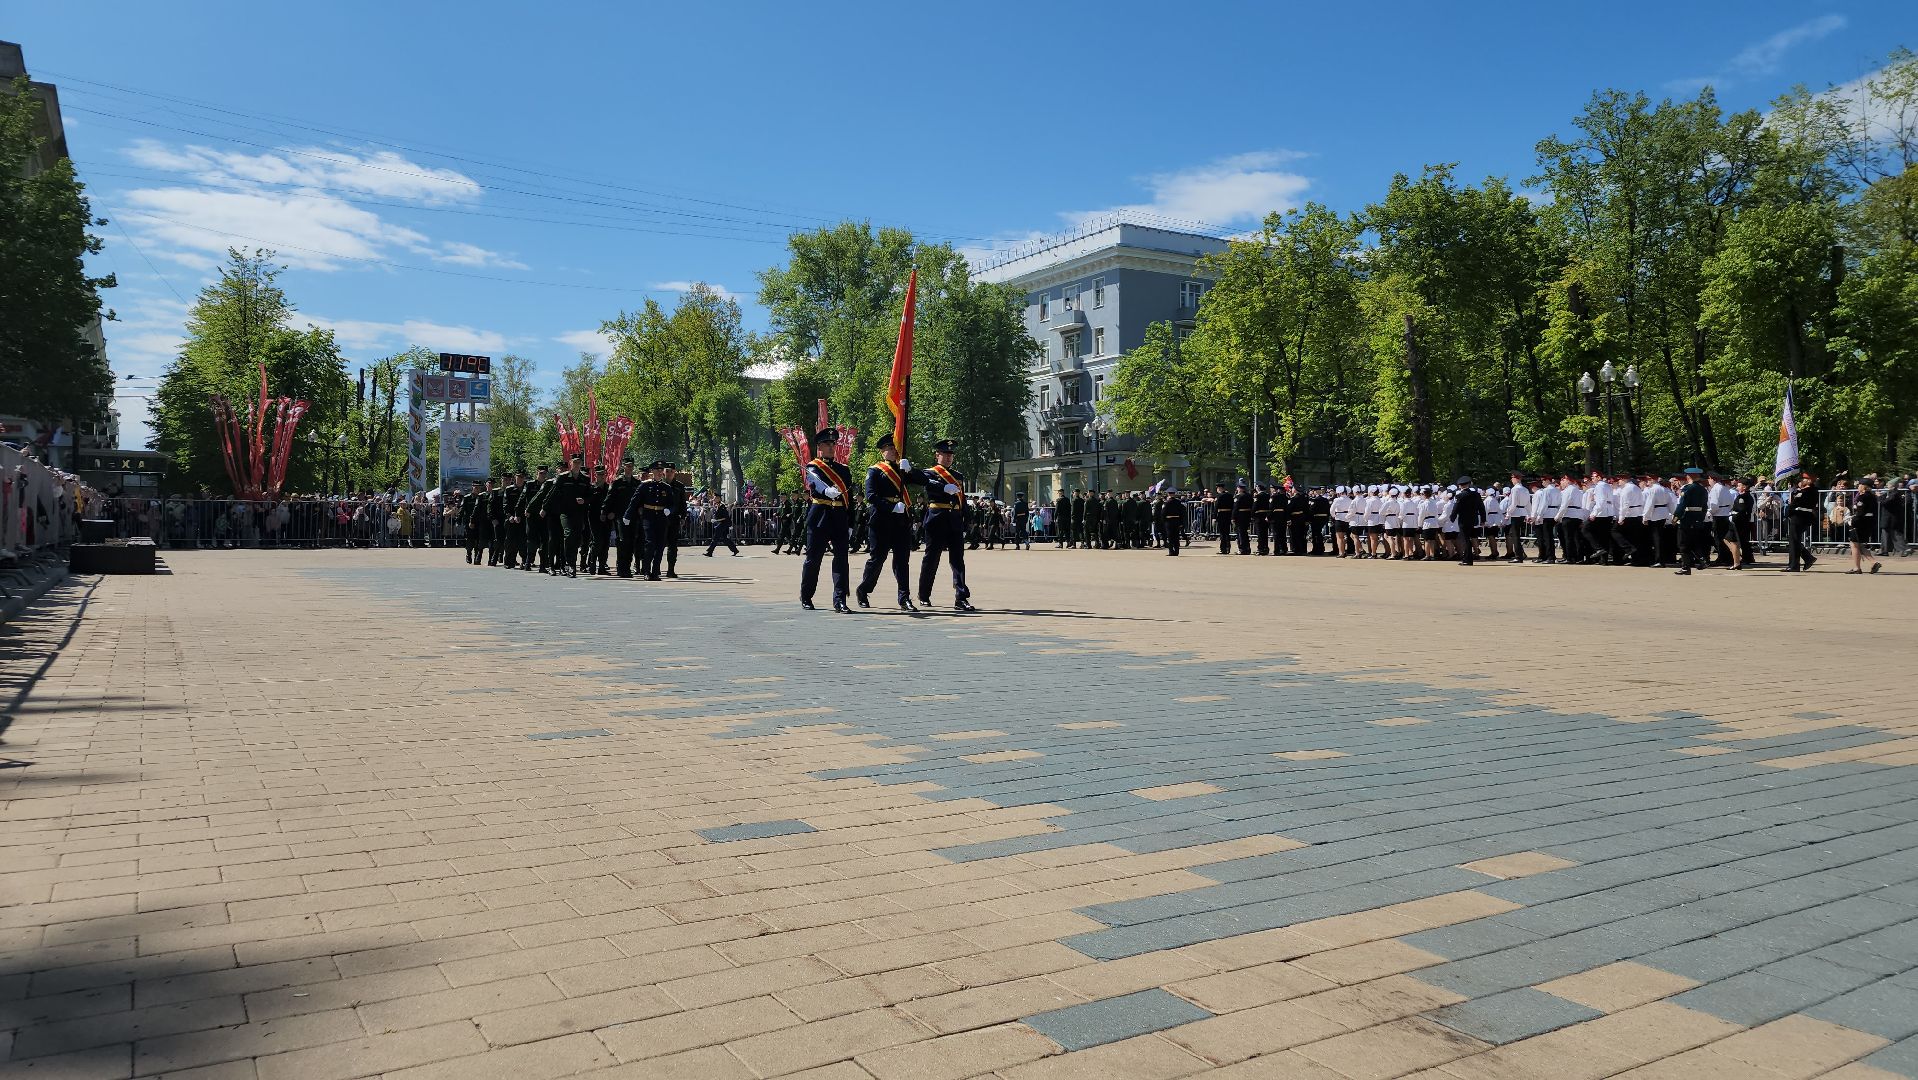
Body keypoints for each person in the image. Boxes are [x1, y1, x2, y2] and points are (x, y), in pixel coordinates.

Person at [856, 433, 924, 610]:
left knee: (902, 560)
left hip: (900, 520)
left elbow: (923, 480)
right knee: (878, 558)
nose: (894, 451)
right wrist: (891, 507)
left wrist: (910, 470)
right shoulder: (875, 471)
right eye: (890, 448)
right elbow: (871, 496)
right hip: (881, 519)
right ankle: (863, 590)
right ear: (882, 451)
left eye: (895, 448)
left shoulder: (902, 469)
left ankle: (904, 598)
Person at [800, 431, 855, 611]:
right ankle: (806, 596)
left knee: (841, 559)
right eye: (827, 444)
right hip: (820, 516)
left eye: (833, 444)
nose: (831, 447)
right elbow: (815, 483)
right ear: (820, 447)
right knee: (813, 559)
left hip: (839, 516)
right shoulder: (813, 467)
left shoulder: (844, 470)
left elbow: (849, 499)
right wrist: (826, 491)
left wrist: (851, 523)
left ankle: (840, 600)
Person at [1674, 467, 1710, 575]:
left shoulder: (1687, 489)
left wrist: (1676, 517)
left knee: (1683, 543)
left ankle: (1686, 567)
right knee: (1694, 542)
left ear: (1689, 476)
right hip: (1698, 518)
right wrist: (1701, 518)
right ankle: (1703, 560)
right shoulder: (1703, 489)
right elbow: (1705, 506)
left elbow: (1682, 505)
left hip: (1687, 518)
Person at [607, 459, 639, 577]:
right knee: (623, 541)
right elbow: (610, 498)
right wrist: (607, 511)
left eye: (631, 466)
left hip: (633, 516)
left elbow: (640, 499)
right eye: (627, 466)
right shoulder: (617, 482)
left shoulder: (636, 483)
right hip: (620, 516)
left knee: (631, 542)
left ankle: (627, 567)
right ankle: (621, 567)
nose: (629, 468)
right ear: (623, 467)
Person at [1848, 478, 1883, 575]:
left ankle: (1860, 567)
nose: (1858, 486)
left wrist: (1853, 521)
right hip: (1869, 521)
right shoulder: (1872, 496)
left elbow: (1860, 512)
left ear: (1864, 486)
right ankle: (1870, 563)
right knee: (1860, 544)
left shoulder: (1862, 497)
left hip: (1861, 522)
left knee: (1854, 544)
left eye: (1859, 485)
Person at [1162, 489, 1188, 555]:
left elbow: (1163, 513)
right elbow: (1182, 512)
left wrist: (1163, 521)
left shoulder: (1167, 503)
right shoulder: (1178, 502)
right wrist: (1181, 522)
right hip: (1177, 520)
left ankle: (1171, 551)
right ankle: (1176, 551)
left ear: (1168, 494)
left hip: (1169, 521)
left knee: (1170, 537)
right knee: (1176, 537)